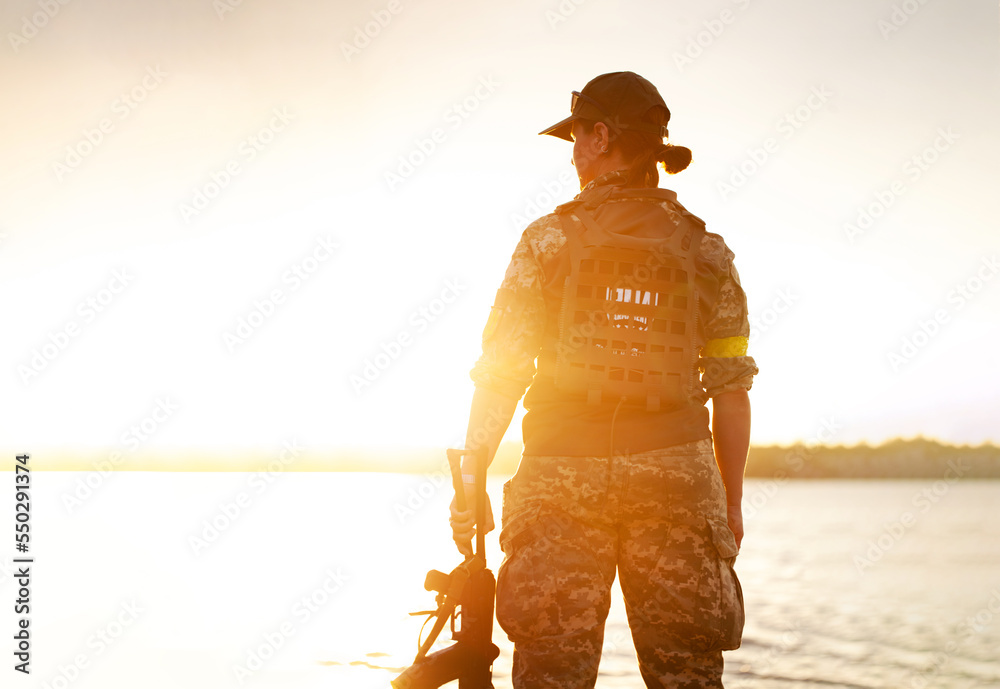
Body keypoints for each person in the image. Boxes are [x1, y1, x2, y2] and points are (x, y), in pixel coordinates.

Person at [449, 71, 758, 689]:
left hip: (560, 478)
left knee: (552, 674)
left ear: (600, 135)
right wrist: (729, 501)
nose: (571, 154)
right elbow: (731, 386)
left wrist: (472, 478)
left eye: (575, 138)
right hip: (678, 482)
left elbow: (502, 371)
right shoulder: (708, 253)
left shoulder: (548, 240)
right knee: (689, 676)